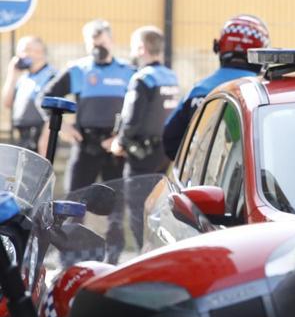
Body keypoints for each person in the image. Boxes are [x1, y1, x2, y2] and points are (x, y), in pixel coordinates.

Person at [42, 19, 136, 191]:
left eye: (103, 44)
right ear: (86, 45)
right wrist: (61, 125)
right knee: (74, 201)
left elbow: (139, 111)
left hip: (115, 146)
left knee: (116, 208)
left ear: (112, 42)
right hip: (85, 144)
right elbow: (45, 97)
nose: (98, 49)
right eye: (94, 45)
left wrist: (122, 138)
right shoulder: (77, 70)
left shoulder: (129, 72)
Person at [164, 14, 268, 160]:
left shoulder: (198, 91)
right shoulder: (267, 93)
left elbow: (170, 141)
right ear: (262, 53)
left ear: (218, 48)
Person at [112, 26, 176, 250]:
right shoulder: (170, 76)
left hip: (141, 157)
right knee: (158, 208)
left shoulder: (142, 79)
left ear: (141, 48)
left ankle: (143, 256)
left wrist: (119, 142)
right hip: (163, 156)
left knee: (138, 210)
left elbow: (131, 120)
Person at [1, 36, 56, 151]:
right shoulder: (23, 77)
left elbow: (53, 111)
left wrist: (45, 140)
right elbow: (7, 103)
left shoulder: (51, 76)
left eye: (24, 50)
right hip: (23, 136)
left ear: (39, 52)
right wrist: (12, 75)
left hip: (40, 136)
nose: (21, 56)